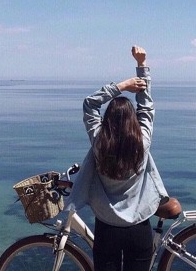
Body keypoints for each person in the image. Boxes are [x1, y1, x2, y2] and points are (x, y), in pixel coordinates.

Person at [65, 46, 168, 271]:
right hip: (139, 226)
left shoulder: (99, 142)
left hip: (107, 227)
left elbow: (90, 103)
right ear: (133, 121)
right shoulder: (142, 143)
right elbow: (146, 107)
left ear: (107, 120)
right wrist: (141, 65)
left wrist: (122, 86)